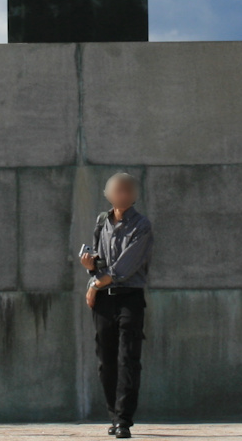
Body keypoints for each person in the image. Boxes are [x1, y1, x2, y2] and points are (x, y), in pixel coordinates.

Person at [81, 173, 152, 439]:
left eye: (126, 191)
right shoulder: (102, 221)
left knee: (128, 358)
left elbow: (125, 267)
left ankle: (124, 419)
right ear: (107, 193)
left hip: (129, 296)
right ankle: (113, 414)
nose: (121, 195)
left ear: (133, 195)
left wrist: (95, 283)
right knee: (106, 360)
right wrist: (91, 270)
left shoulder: (142, 225)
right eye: (115, 191)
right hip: (103, 298)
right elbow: (99, 262)